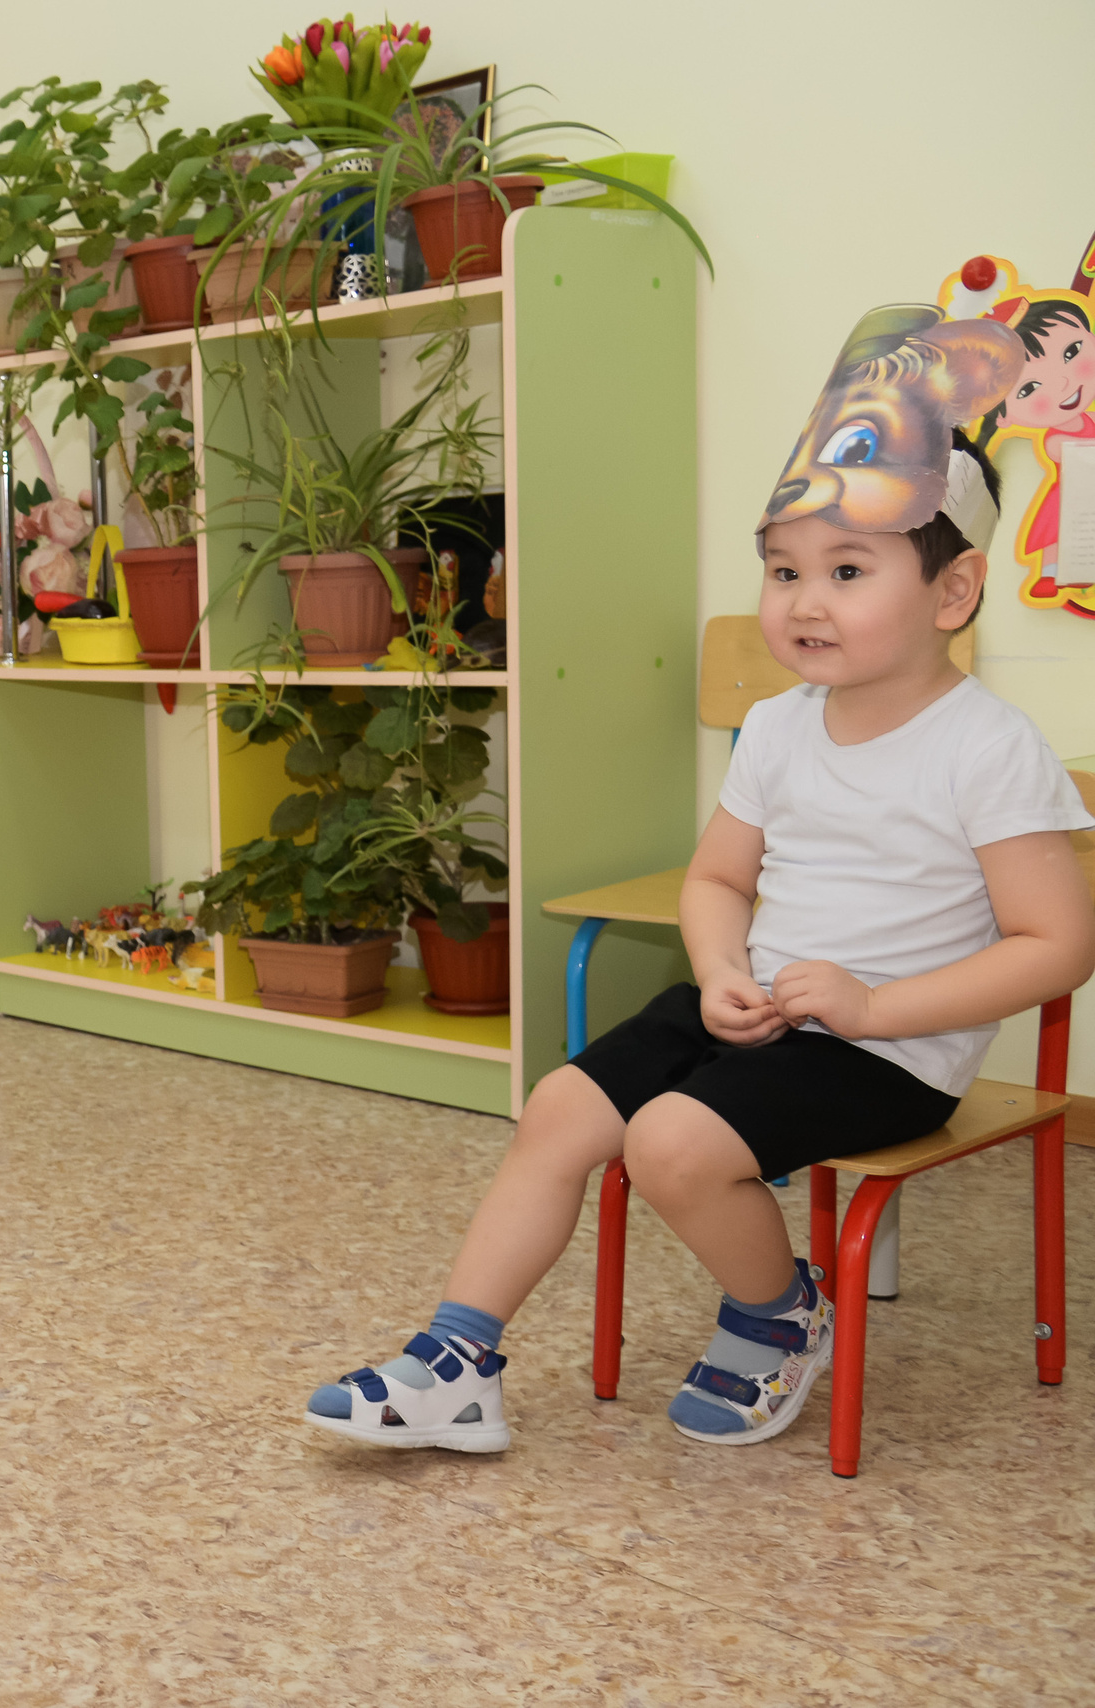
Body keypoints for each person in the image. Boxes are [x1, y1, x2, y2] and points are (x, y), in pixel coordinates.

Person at [306, 304, 1095, 1453]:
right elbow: (718, 879)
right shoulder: (778, 728)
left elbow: (1055, 945)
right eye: (781, 570)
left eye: (843, 570)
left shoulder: (988, 746)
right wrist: (721, 966)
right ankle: (455, 1360)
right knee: (561, 1107)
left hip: (888, 1049)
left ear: (953, 592)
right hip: (759, 1001)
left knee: (670, 1143)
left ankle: (779, 1316)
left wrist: (873, 1005)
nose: (801, 600)